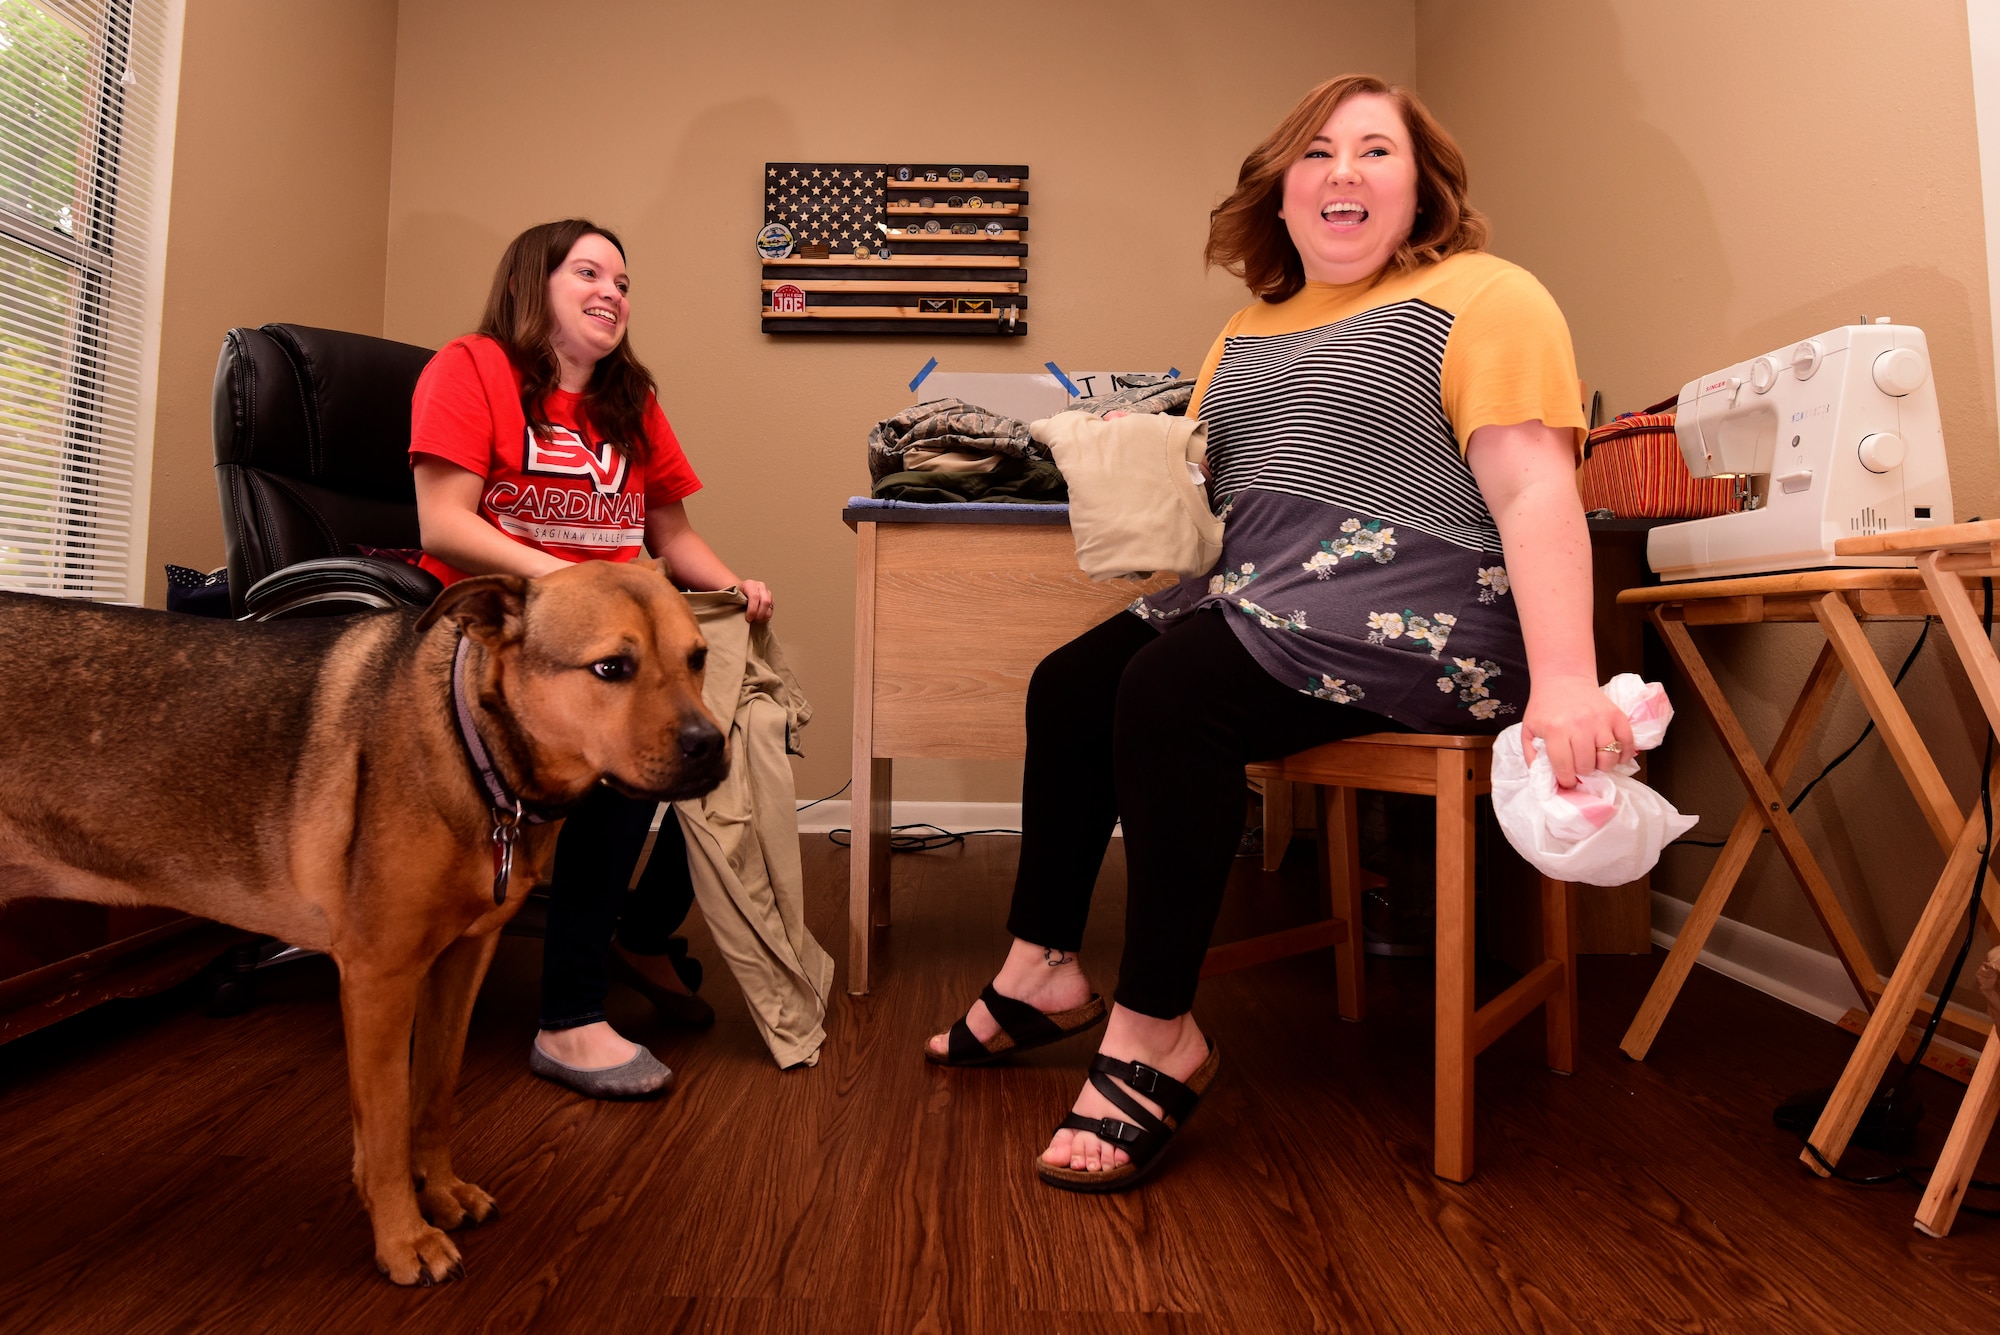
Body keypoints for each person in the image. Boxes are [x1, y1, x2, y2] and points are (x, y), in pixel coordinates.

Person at [925, 75, 1623, 1190]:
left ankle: (1157, 1032)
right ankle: (1039, 967)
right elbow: (1234, 496)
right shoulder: (1247, 325)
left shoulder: (1489, 295)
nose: (1340, 171)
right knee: (1069, 683)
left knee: (1168, 693)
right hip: (1267, 596)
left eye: (1373, 151)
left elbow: (1534, 488)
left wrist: (1566, 679)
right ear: (1282, 195)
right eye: (1314, 154)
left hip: (1426, 611)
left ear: (1422, 188)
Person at [409, 218, 773, 1098]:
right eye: (588, 272)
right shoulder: (472, 366)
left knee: (742, 732)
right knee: (621, 758)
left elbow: (669, 532)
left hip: (612, 631)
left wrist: (736, 588)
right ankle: (569, 1016)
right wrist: (570, 587)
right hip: (502, 634)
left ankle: (639, 929)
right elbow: (444, 523)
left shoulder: (630, 397)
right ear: (533, 283)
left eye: (623, 280)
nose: (612, 291)